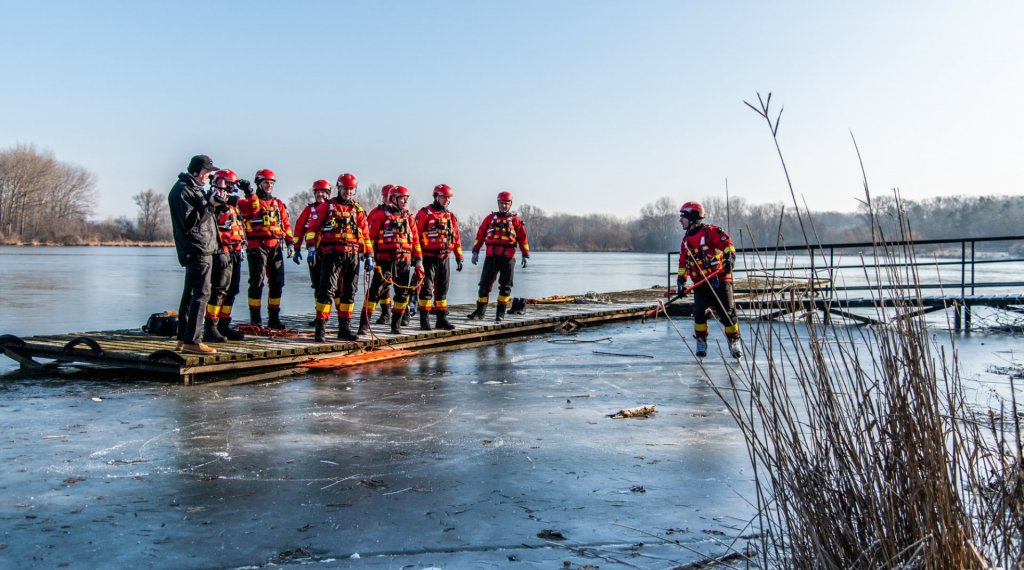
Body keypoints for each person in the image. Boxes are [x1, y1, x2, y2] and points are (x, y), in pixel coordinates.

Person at [304, 173, 372, 342]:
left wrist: (369, 254)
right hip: (332, 254)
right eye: (345, 188)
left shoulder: (358, 209)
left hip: (353, 254)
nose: (348, 191)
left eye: (351, 189)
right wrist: (311, 248)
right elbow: (313, 228)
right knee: (326, 291)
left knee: (349, 292)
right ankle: (320, 330)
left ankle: (345, 329)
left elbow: (365, 234)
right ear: (339, 188)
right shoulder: (327, 207)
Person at [167, 154, 220, 354]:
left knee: (190, 294)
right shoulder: (182, 190)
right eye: (206, 172)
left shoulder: (191, 188)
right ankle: (193, 341)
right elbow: (190, 222)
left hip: (200, 247)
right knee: (201, 293)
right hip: (197, 248)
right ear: (196, 171)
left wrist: (210, 202)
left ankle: (183, 338)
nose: (207, 176)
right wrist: (211, 206)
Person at [677, 201, 742, 359]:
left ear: (692, 217)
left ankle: (734, 341)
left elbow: (728, 245)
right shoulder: (686, 241)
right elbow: (682, 263)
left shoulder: (711, 232)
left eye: (683, 217)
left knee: (726, 312)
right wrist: (681, 281)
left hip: (719, 279)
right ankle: (701, 340)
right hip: (700, 282)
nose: (680, 221)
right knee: (699, 313)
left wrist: (729, 260)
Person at [358, 185, 422, 335]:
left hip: (404, 261)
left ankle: (396, 325)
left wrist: (418, 261)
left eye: (406, 198)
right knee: (374, 292)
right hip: (385, 260)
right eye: (402, 198)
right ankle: (364, 325)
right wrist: (367, 255)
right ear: (393, 199)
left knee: (402, 294)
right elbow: (370, 237)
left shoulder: (409, 218)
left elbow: (416, 242)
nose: (405, 201)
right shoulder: (381, 215)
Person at [236, 169, 294, 329]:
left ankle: (273, 318)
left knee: (277, 283)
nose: (269, 185)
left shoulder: (278, 204)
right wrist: (249, 192)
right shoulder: (247, 202)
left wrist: (290, 242)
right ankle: (255, 319)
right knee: (257, 282)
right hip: (257, 246)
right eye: (266, 182)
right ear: (259, 183)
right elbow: (253, 208)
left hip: (275, 245)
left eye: (271, 183)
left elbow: (286, 225)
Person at [468, 191, 530, 322]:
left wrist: (525, 255)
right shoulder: (489, 219)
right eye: (501, 203)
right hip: (491, 256)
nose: (504, 206)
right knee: (484, 285)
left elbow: (523, 239)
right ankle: (480, 312)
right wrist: (475, 251)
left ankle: (500, 313)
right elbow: (480, 235)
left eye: (506, 204)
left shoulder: (516, 221)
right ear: (498, 203)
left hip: (508, 258)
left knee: (506, 286)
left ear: (510, 204)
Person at [203, 169, 247, 343]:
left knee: (232, 290)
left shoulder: (233, 204)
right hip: (221, 252)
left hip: (236, 251)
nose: (229, 189)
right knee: (219, 290)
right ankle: (210, 327)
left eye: (231, 186)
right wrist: (219, 251)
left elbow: (252, 209)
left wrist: (249, 192)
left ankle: (223, 325)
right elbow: (211, 229)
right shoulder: (212, 202)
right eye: (226, 185)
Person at [415, 183, 463, 330]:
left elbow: (456, 238)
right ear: (436, 196)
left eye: (448, 198)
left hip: (444, 257)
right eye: (443, 197)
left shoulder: (450, 216)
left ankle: (441, 319)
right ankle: (425, 320)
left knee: (442, 289)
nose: (446, 200)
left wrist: (459, 256)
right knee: (426, 289)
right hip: (428, 257)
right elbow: (415, 236)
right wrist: (416, 258)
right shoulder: (424, 213)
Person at [291, 179, 332, 293]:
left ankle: (336, 310)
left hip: (331, 251)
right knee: (317, 283)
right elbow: (299, 229)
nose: (320, 194)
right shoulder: (309, 210)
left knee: (333, 283)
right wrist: (297, 248)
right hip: (313, 251)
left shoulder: (333, 208)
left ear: (328, 193)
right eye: (317, 192)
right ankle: (319, 308)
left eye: (322, 191)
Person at [370, 184, 395, 325]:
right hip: (380, 256)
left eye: (388, 196)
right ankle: (385, 313)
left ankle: (404, 313)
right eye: (384, 196)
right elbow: (368, 234)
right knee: (381, 286)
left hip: (399, 258)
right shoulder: (376, 212)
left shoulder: (402, 214)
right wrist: (368, 253)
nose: (386, 199)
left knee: (397, 286)